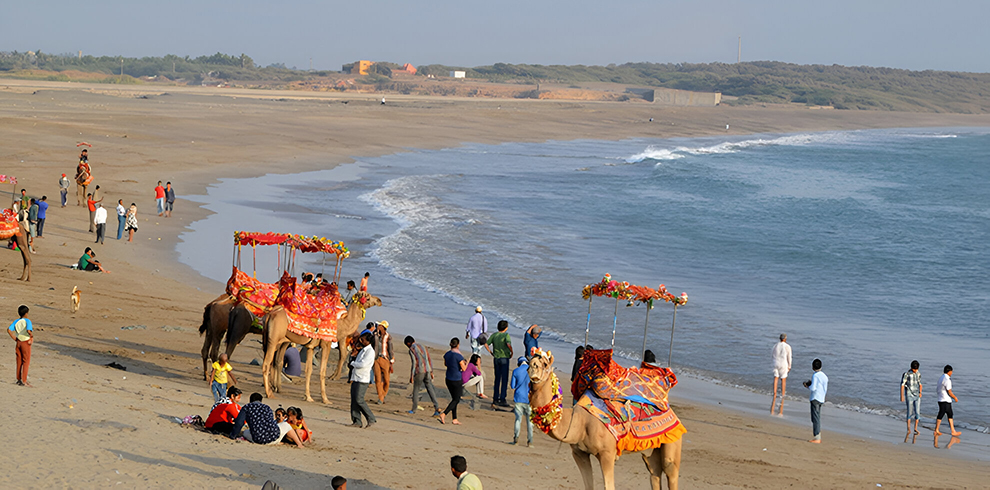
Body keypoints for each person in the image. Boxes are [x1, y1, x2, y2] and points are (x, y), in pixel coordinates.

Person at [229, 393, 302, 447]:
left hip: (258, 439)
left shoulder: (247, 407)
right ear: (261, 401)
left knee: (245, 432)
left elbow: (239, 423)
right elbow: (271, 422)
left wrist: (233, 435)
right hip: (274, 437)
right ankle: (299, 444)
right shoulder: (267, 407)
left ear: (250, 401)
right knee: (286, 425)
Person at [405, 335, 441, 416]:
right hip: (427, 369)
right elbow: (428, 358)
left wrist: (412, 375)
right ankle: (436, 406)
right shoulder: (423, 346)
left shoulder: (412, 349)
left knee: (416, 389)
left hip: (420, 370)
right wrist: (431, 371)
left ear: (408, 343)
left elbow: (414, 363)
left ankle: (413, 409)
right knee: (430, 388)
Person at [348, 332, 377, 428]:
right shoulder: (363, 350)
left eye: (363, 340)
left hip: (363, 379)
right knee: (354, 400)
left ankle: (371, 418)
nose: (361, 341)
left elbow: (363, 364)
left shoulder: (370, 352)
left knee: (359, 400)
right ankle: (357, 421)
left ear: (368, 341)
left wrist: (353, 364)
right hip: (356, 377)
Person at [485, 320, 513, 407]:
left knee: (497, 378)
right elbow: (508, 344)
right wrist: (511, 352)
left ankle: (495, 398)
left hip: (496, 358)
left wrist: (490, 351)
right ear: (506, 328)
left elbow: (486, 343)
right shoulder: (506, 335)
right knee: (504, 379)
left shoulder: (494, 335)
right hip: (504, 357)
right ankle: (502, 398)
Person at [440, 337, 467, 425]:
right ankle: (444, 413)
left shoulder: (447, 354)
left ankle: (454, 418)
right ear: (458, 345)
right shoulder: (459, 356)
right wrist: (466, 363)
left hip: (448, 378)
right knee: (456, 399)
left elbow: (446, 364)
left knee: (454, 399)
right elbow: (464, 369)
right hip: (456, 379)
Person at [7, 305, 33, 387]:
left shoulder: (16, 321)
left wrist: (15, 338)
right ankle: (24, 380)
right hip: (25, 341)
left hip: (18, 342)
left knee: (19, 361)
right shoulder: (28, 321)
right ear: (26, 313)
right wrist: (31, 337)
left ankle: (18, 379)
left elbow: (9, 330)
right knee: (26, 361)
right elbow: (29, 330)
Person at [803, 358, 828, 444]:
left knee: (815, 418)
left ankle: (817, 436)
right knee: (817, 417)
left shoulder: (815, 375)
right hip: (821, 398)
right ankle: (817, 435)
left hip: (815, 398)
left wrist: (807, 386)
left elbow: (813, 388)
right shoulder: (824, 376)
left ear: (813, 367)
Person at [510, 357, 533, 446]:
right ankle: (530, 441)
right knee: (530, 422)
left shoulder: (516, 371)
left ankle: (516, 438)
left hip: (518, 397)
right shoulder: (531, 371)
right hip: (528, 399)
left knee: (518, 420)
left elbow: (512, 386)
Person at [934, 365, 961, 438]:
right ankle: (938, 429)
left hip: (940, 399)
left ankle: (951, 430)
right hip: (945, 400)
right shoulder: (947, 379)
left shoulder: (941, 378)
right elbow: (949, 391)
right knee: (943, 414)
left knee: (949, 414)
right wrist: (955, 397)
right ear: (949, 371)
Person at [372, 320, 394, 404]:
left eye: (379, 325)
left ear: (383, 327)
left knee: (386, 379)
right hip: (376, 359)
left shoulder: (388, 337)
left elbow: (390, 348)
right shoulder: (375, 336)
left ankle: (383, 394)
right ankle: (380, 397)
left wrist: (391, 359)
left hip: (385, 359)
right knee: (378, 379)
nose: (378, 327)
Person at [771, 333, 792, 416]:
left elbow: (772, 354)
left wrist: (773, 362)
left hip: (775, 362)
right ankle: (783, 394)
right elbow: (789, 357)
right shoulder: (787, 347)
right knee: (783, 379)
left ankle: (775, 392)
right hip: (783, 363)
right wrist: (789, 366)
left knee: (776, 377)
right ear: (785, 339)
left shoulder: (775, 345)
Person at [900, 360, 923, 437]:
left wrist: (920, 392)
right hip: (909, 394)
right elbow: (902, 385)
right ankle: (908, 428)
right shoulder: (906, 374)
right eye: (914, 369)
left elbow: (920, 384)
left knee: (917, 412)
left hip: (917, 395)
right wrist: (902, 396)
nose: (915, 371)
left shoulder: (918, 374)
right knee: (909, 412)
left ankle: (915, 428)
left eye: (916, 369)